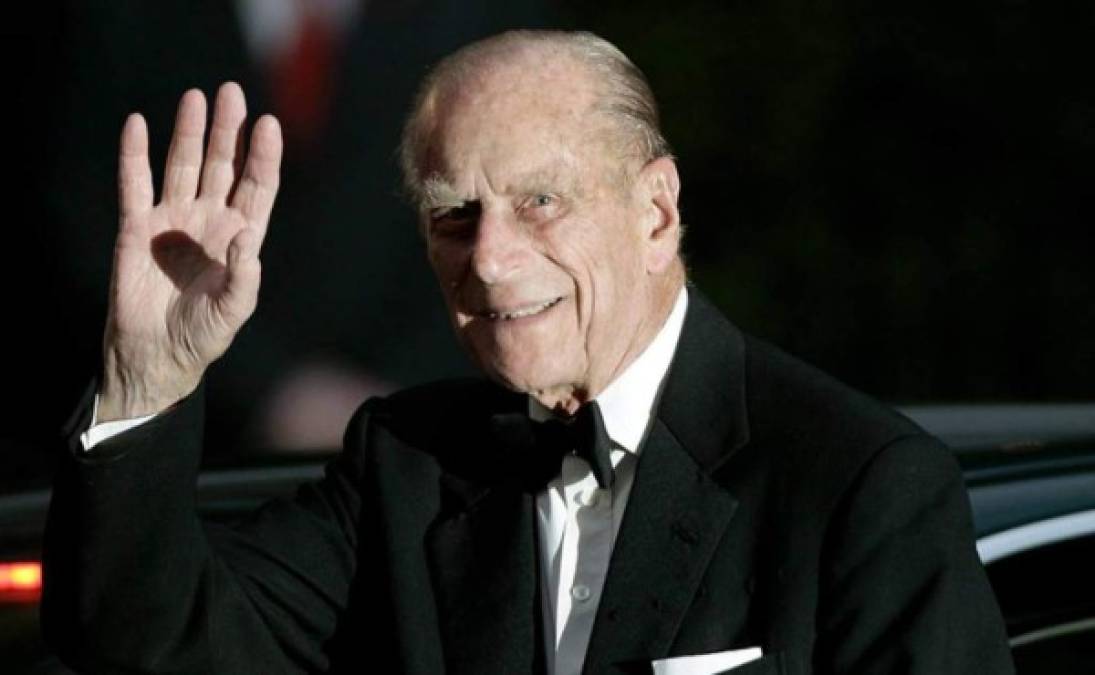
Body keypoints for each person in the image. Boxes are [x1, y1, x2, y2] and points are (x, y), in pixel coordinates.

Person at [42, 30, 1014, 674]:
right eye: (453, 215)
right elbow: (140, 650)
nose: (493, 263)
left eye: (540, 201)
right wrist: (146, 381)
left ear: (656, 212)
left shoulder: (859, 490)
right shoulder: (406, 467)